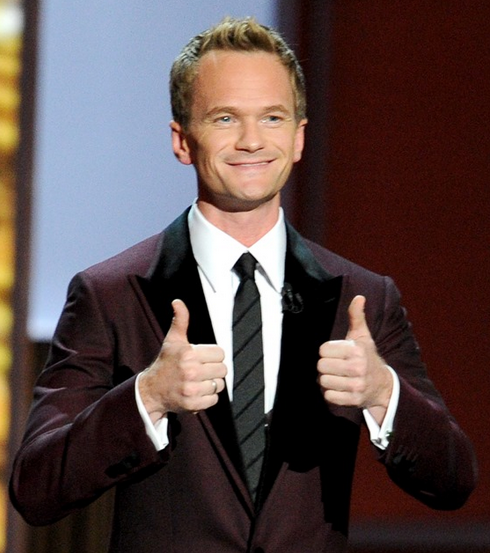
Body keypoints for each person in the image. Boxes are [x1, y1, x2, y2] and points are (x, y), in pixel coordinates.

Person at [10, 17, 477, 553]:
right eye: (226, 118)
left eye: (272, 117)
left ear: (298, 138)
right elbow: (36, 488)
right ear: (182, 141)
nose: (252, 141)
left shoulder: (361, 298)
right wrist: (147, 397)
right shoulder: (110, 294)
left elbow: (452, 480)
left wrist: (383, 392)